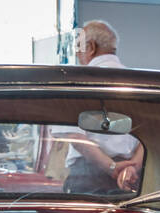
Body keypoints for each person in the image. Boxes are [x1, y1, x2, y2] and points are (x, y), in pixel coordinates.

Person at [59, 20, 143, 194]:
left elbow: (75, 136)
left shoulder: (76, 82)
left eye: (78, 46)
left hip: (88, 178)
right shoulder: (141, 84)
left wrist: (112, 167)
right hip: (132, 177)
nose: (76, 52)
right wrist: (131, 168)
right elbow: (153, 133)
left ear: (90, 47)